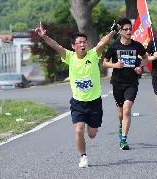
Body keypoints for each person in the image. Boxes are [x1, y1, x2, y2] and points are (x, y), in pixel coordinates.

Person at [35, 21, 117, 168]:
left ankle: (89, 126)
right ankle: (83, 157)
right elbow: (56, 46)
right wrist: (44, 37)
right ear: (73, 46)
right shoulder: (70, 57)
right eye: (79, 42)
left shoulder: (93, 55)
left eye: (84, 41)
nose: (82, 44)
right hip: (78, 102)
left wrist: (112, 32)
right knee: (79, 130)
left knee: (91, 134)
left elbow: (102, 42)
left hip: (94, 102)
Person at [103, 18, 150, 150]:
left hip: (132, 83)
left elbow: (145, 58)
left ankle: (123, 140)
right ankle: (121, 125)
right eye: (126, 29)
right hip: (117, 83)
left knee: (127, 110)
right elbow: (105, 62)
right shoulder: (114, 46)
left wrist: (140, 66)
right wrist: (115, 65)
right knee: (120, 114)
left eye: (130, 29)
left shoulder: (137, 46)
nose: (129, 31)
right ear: (120, 31)